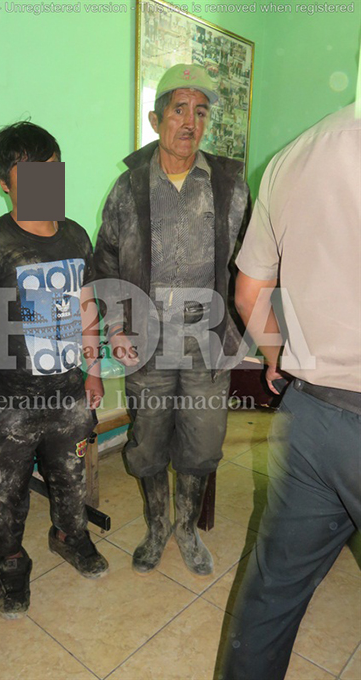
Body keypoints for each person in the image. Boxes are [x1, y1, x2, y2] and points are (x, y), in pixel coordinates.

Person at [219, 104, 361, 679]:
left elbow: (248, 290)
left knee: (272, 593)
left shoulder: (293, 157)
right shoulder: (133, 187)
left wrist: (278, 354)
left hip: (311, 418)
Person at [94, 64, 250, 576]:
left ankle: (186, 528)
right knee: (148, 442)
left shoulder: (229, 184)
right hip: (148, 341)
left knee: (202, 442)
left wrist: (245, 328)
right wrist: (115, 328)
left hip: (207, 341)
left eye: (200, 112)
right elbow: (105, 261)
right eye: (179, 109)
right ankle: (157, 525)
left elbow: (250, 260)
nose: (190, 122)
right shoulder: (129, 187)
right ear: (155, 119)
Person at [0, 121, 108, 620]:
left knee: (71, 479)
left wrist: (92, 371)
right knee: (8, 495)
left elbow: (86, 308)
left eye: (53, 170)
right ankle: (11, 561)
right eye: (32, 174)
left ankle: (69, 535)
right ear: (5, 182)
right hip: (9, 402)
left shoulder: (75, 235)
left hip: (68, 394)